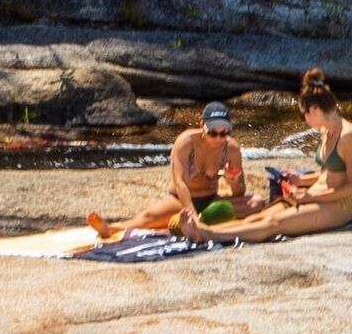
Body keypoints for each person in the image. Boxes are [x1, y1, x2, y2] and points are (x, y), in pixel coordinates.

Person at [179, 70, 352, 241]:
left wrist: (309, 197)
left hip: (336, 207)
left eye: (303, 116)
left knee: (273, 224)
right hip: (312, 196)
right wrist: (301, 180)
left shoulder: (349, 136)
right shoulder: (326, 131)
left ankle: (208, 235)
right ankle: (202, 229)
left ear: (313, 110)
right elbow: (329, 173)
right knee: (260, 217)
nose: (304, 120)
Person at [88, 101, 247, 240]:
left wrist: (233, 181)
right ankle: (111, 228)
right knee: (147, 219)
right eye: (213, 133)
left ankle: (200, 222)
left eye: (224, 133)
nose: (218, 138)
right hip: (179, 201)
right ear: (201, 125)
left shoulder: (232, 149)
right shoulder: (186, 142)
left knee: (256, 204)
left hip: (211, 200)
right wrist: (192, 215)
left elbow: (239, 192)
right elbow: (179, 182)